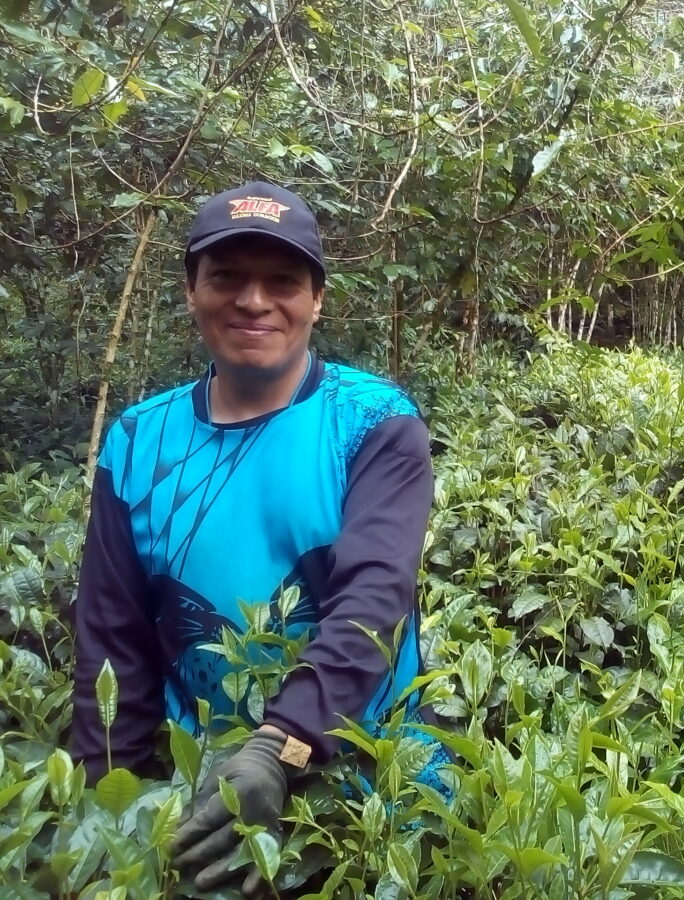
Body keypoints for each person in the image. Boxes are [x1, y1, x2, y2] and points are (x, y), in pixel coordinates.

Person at [69, 181, 450, 893]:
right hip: (207, 788)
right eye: (227, 277)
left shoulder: (374, 423)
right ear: (192, 290)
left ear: (317, 299)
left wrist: (281, 749)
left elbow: (374, 598)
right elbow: (110, 641)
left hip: (374, 778)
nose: (253, 301)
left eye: (282, 281)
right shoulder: (136, 443)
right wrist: (102, 819)